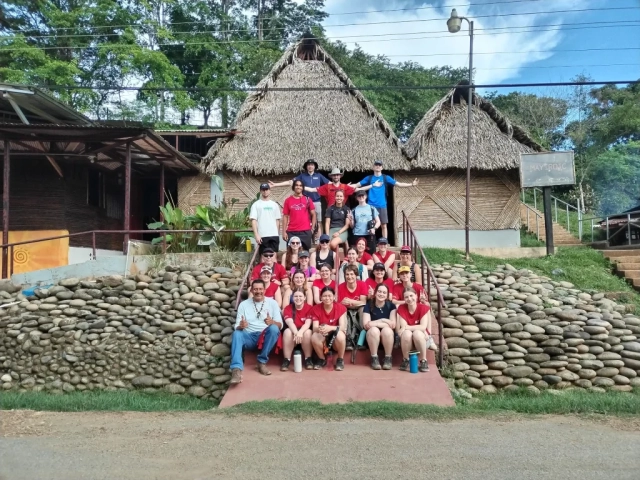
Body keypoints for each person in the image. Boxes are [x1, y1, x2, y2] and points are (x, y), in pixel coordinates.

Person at [230, 279, 283, 384]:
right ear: (251, 291)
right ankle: (236, 369)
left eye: (260, 289)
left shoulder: (272, 303)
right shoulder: (244, 304)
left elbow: (280, 325)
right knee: (237, 333)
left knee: (274, 328)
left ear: (265, 289)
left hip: (264, 337)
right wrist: (241, 326)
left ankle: (261, 362)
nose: (258, 291)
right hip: (249, 336)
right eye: (255, 289)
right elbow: (237, 326)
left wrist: (272, 322)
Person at [351, 160, 418, 239]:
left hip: (382, 205)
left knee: (383, 225)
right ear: (373, 167)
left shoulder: (385, 178)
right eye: (376, 165)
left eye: (379, 165)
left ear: (382, 167)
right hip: (371, 205)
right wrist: (343, 186)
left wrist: (411, 184)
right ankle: (371, 241)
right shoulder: (369, 178)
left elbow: (399, 184)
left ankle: (384, 242)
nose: (378, 166)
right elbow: (357, 185)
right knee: (370, 224)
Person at [269, 159, 329, 239]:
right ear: (306, 167)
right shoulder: (302, 176)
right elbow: (290, 182)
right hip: (305, 202)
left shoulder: (319, 176)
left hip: (316, 202)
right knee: (306, 221)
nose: (310, 166)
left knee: (318, 222)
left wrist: (345, 186)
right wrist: (276, 185)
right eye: (308, 165)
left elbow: (330, 184)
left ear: (314, 166)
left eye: (312, 165)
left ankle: (319, 240)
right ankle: (309, 239)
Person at [310, 286, 348, 371]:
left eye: (330, 296)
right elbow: (314, 328)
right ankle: (322, 359)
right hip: (323, 335)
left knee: (341, 335)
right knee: (314, 336)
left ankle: (340, 359)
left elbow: (342, 327)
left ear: (334, 297)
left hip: (335, 337)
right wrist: (321, 329)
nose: (327, 298)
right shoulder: (315, 308)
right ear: (321, 297)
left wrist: (330, 328)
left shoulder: (341, 308)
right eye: (324, 296)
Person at [397, 288, 432, 373]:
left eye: (411, 296)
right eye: (406, 297)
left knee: (417, 333)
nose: (409, 299)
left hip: (422, 338)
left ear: (416, 296)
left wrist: (407, 327)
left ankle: (423, 360)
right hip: (407, 339)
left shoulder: (423, 308)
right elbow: (403, 327)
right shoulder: (401, 308)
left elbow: (423, 327)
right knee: (407, 334)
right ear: (404, 299)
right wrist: (409, 328)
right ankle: (405, 359)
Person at [304, 167, 379, 207]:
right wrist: (300, 187)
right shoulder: (327, 186)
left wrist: (372, 185)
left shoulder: (344, 187)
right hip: (331, 212)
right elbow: (312, 190)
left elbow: (359, 189)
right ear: (331, 176)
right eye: (334, 175)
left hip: (342, 211)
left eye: (337, 175)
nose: (336, 176)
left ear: (340, 176)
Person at [362, 284, 397, 370]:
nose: (381, 294)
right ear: (375, 292)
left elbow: (392, 325)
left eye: (384, 292)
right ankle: (374, 358)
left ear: (387, 295)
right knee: (374, 330)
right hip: (372, 339)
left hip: (388, 338)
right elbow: (366, 325)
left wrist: (375, 323)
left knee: (387, 330)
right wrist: (384, 320)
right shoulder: (368, 305)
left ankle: (388, 358)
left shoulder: (391, 306)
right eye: (379, 291)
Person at [281, 290, 314, 371]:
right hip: (293, 334)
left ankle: (308, 359)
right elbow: (289, 322)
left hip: (304, 334)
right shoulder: (288, 308)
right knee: (287, 331)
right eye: (296, 296)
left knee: (308, 332)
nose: (298, 298)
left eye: (300, 296)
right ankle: (286, 360)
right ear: (292, 298)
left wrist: (300, 332)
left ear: (304, 298)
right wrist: (296, 333)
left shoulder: (309, 308)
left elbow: (308, 323)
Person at [337, 264, 368, 350]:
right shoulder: (340, 287)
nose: (349, 277)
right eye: (347, 274)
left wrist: (351, 301)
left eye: (352, 274)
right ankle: (348, 338)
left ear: (356, 275)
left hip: (359, 308)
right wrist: (345, 303)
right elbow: (339, 303)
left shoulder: (362, 284)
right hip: (346, 308)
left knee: (363, 309)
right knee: (342, 310)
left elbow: (363, 302)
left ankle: (362, 339)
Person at [282, 179, 316, 251]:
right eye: (296, 185)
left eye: (300, 185)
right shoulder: (288, 200)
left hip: (305, 231)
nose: (298, 187)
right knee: (291, 254)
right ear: (293, 187)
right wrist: (284, 232)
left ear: (303, 187)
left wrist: (312, 228)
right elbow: (285, 216)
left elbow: (313, 214)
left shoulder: (308, 199)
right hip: (292, 231)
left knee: (305, 255)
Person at [249, 183, 282, 254]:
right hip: (262, 235)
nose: (265, 191)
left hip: (274, 235)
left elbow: (277, 220)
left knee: (274, 256)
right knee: (263, 256)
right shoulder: (256, 205)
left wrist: (277, 234)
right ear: (260, 191)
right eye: (263, 190)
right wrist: (256, 235)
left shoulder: (274, 205)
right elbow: (253, 220)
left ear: (269, 190)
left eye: (266, 189)